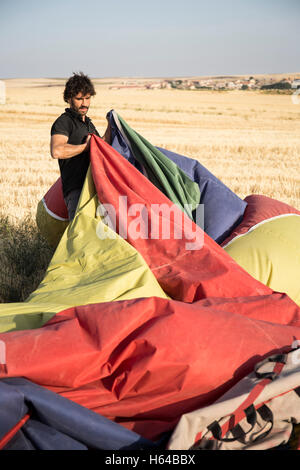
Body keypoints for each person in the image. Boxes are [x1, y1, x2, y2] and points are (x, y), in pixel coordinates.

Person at [50, 72, 111, 221]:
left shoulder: (88, 124)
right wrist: (85, 147)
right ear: (69, 98)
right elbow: (57, 150)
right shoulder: (64, 122)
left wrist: (112, 125)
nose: (84, 103)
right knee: (80, 237)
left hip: (95, 189)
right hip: (76, 191)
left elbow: (100, 146)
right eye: (79, 99)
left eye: (87, 98)